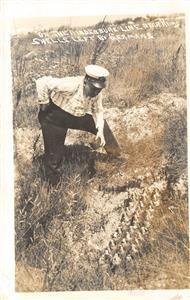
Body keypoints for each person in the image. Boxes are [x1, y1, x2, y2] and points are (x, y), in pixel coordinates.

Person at [36, 64, 120, 185]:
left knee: (102, 125)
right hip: (54, 117)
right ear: (86, 81)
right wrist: (43, 102)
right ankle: (53, 186)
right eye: (94, 88)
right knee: (54, 157)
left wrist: (100, 130)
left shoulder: (96, 92)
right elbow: (42, 82)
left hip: (74, 116)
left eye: (99, 89)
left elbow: (98, 110)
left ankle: (116, 156)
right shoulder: (71, 84)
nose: (97, 92)